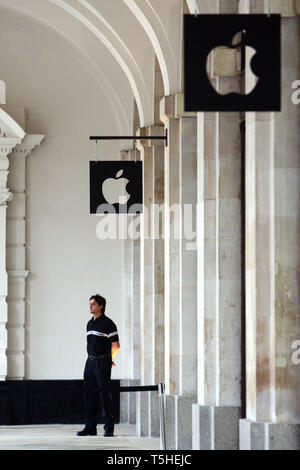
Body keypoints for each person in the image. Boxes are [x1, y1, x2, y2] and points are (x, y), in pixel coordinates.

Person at [77, 294, 120, 437]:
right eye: (89, 303)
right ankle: (90, 427)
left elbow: (116, 345)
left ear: (101, 306)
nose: (90, 306)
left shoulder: (108, 323)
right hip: (89, 362)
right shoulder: (89, 324)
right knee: (90, 395)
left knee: (104, 395)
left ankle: (109, 428)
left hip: (102, 362)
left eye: (93, 304)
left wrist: (109, 359)